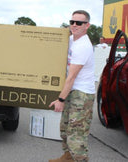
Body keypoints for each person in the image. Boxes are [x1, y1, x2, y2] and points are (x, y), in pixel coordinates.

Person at [49, 10, 95, 162]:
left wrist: (60, 100)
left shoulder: (83, 46)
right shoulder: (70, 39)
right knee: (65, 129)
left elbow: (72, 76)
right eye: (72, 22)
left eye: (79, 23)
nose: (74, 25)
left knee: (76, 135)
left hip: (81, 94)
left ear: (87, 25)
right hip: (72, 90)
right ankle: (68, 158)